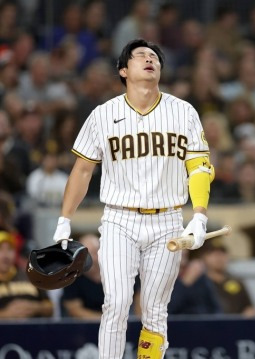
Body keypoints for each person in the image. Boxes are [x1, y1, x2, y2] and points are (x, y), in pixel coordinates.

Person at [52, 39, 214, 359]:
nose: (149, 59)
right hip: (119, 218)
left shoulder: (183, 111)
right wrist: (64, 220)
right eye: (140, 56)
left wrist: (199, 215)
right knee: (116, 302)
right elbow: (82, 170)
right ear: (124, 70)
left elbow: (199, 166)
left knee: (154, 309)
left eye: (154, 56)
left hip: (167, 218)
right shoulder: (103, 114)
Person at [0, 226, 53, 319]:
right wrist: (5, 314)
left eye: (10, 249)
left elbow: (51, 308)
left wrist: (35, 307)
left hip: (33, 330)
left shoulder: (30, 275)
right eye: (1, 249)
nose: (5, 255)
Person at [201, 238, 255, 317]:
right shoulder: (200, 283)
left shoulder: (237, 282)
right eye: (213, 253)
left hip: (235, 326)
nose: (219, 257)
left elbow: (249, 308)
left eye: (222, 253)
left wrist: (248, 314)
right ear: (204, 257)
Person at [168, 249, 222, 316]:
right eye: (177, 247)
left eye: (184, 248)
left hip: (204, 323)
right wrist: (185, 283)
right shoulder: (162, 278)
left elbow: (215, 308)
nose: (184, 251)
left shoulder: (198, 276)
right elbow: (169, 309)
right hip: (176, 324)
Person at [61, 233, 103, 319]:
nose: (89, 259)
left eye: (93, 253)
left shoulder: (116, 275)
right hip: (83, 328)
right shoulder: (72, 277)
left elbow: (136, 305)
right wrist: (107, 321)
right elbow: (75, 311)